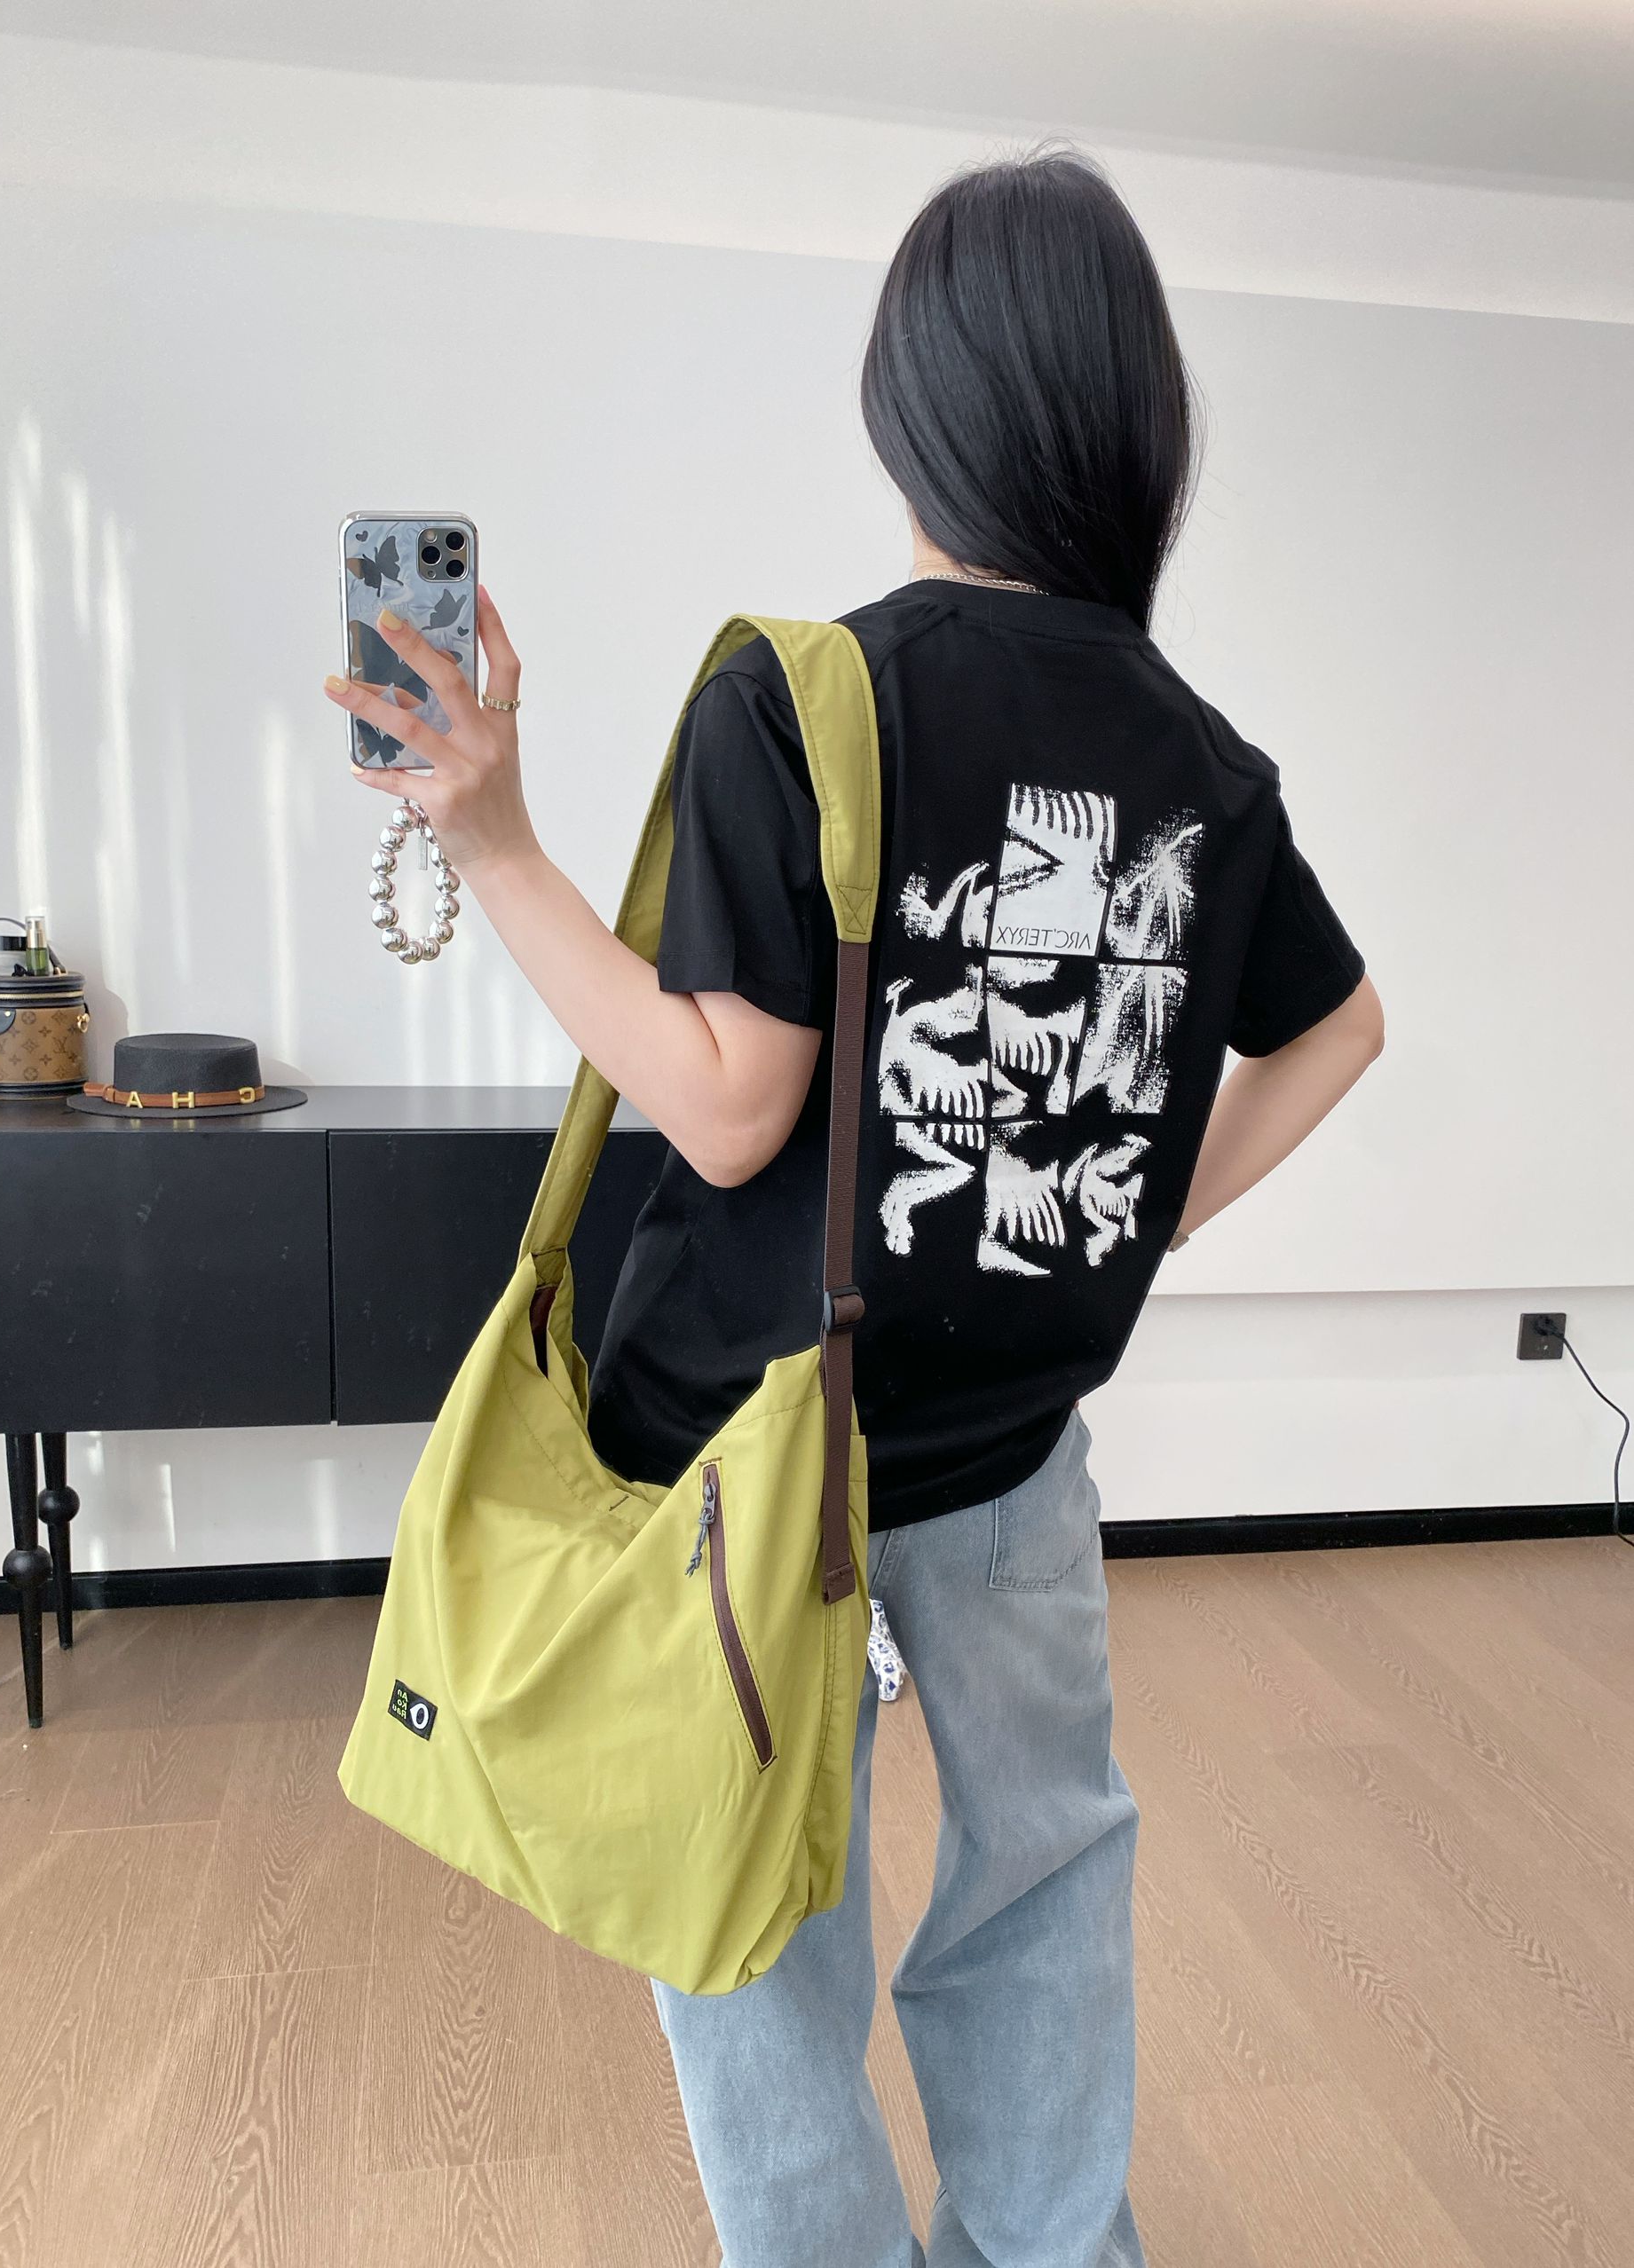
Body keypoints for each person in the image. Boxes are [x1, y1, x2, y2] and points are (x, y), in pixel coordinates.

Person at [327, 143, 1383, 2268]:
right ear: (1135, 427)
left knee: (742, 1884)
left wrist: (496, 840)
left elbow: (727, 1117)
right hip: (1010, 1451)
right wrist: (1125, 1209)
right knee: (1046, 1865)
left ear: (911, 407)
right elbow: (1336, 1031)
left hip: (751, 1449)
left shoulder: (801, 696)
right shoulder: (1202, 764)